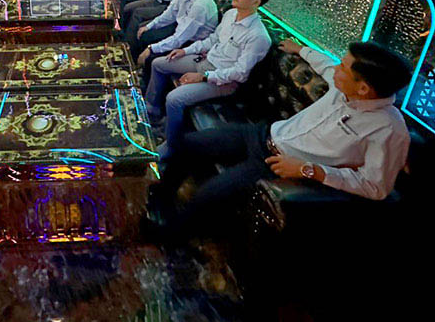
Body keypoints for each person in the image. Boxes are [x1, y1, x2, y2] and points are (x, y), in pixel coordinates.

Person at [149, 40, 414, 240]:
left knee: (206, 196)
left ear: (364, 88)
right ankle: (161, 194)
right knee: (187, 143)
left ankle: (169, 235)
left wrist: (309, 170)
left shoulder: (388, 130)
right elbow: (324, 63)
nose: (337, 69)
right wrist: (300, 49)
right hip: (264, 134)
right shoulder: (343, 86)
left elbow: (375, 187)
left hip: (277, 163)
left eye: (343, 67)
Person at [146, 0, 272, 149]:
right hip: (205, 61)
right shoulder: (230, 14)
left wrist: (203, 76)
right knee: (159, 64)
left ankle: (171, 145)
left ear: (256, 2)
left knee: (174, 99)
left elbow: (240, 73)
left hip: (223, 81)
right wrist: (186, 51)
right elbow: (212, 40)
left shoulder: (258, 36)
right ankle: (152, 110)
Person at [132, 0, 217, 69]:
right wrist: (149, 26)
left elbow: (179, 38)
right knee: (144, 33)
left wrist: (151, 49)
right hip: (181, 30)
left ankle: (142, 73)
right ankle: (135, 65)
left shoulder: (200, 6)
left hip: (192, 42)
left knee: (150, 56)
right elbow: (169, 14)